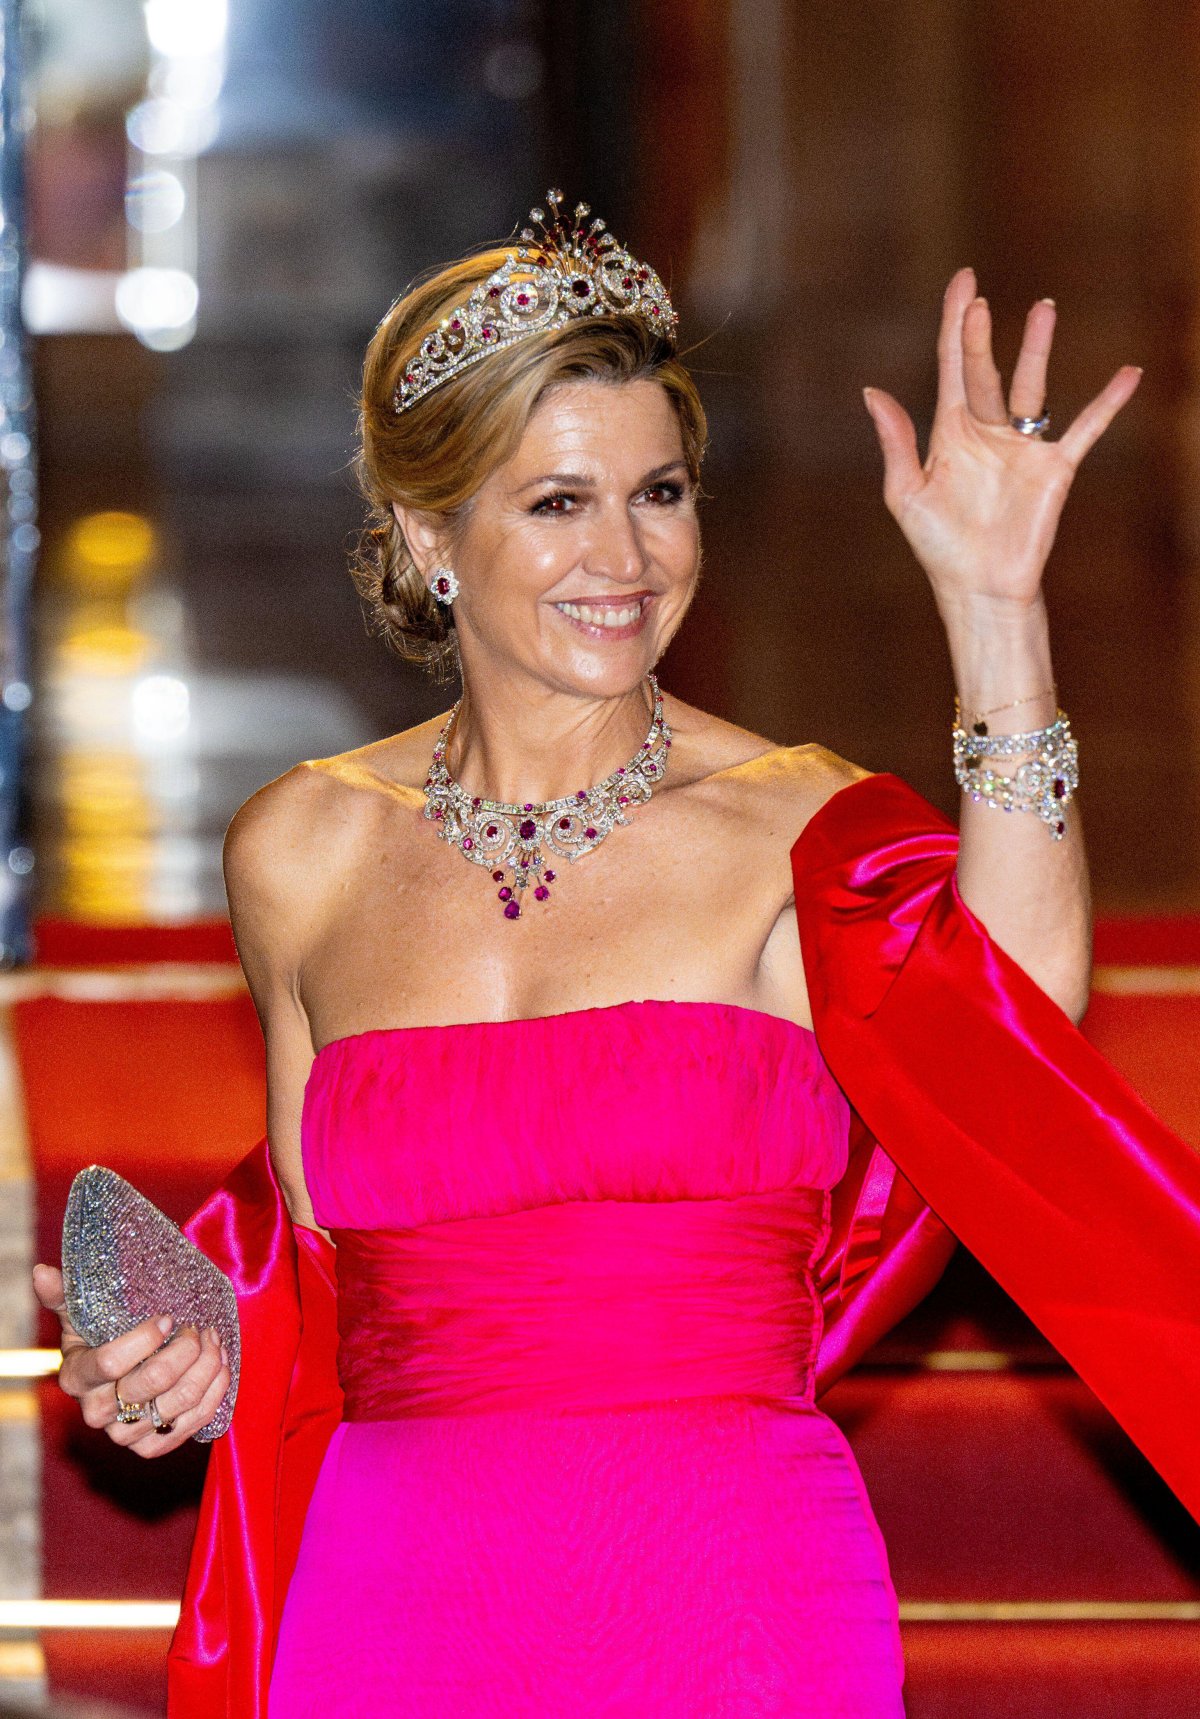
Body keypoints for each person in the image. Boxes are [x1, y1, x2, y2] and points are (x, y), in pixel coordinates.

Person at [33, 192, 1200, 1717]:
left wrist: (996, 612)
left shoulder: (795, 824)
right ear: (426, 534)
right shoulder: (299, 853)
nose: (629, 557)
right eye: (559, 503)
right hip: (391, 1597)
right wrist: (188, 1357)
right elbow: (333, 1292)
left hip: (731, 1595)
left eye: (661, 493)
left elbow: (1016, 1026)